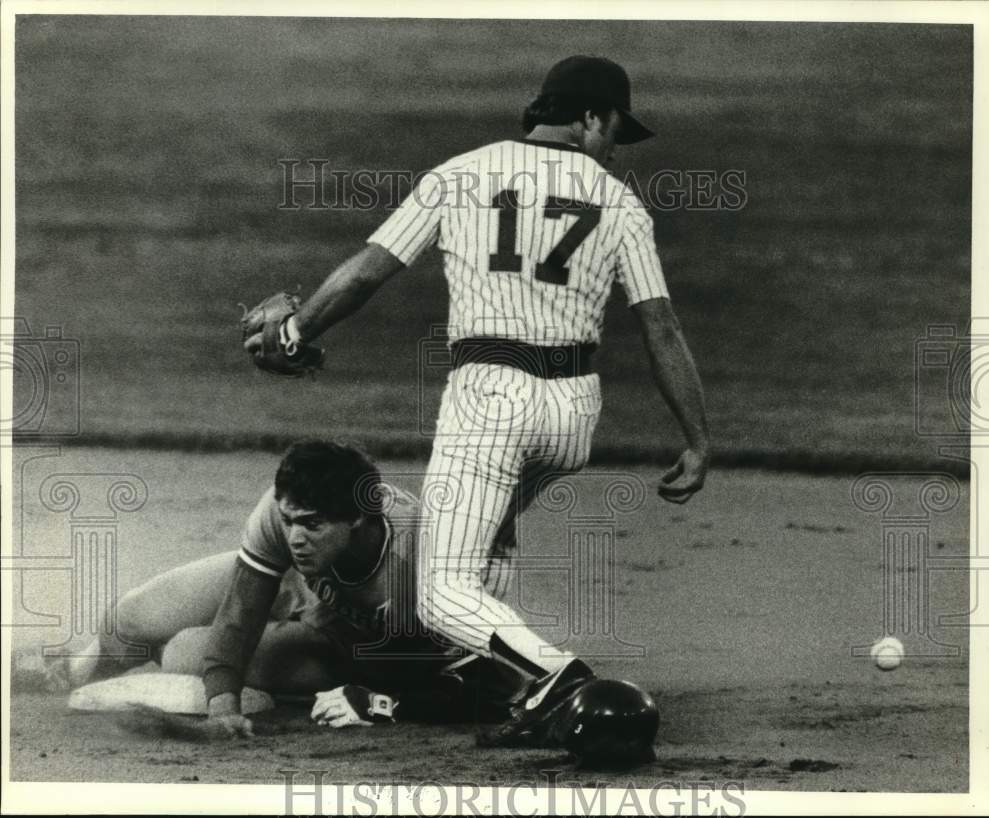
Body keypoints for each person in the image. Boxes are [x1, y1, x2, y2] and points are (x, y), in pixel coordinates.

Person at [244, 55, 710, 746]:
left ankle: (557, 678)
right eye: (616, 129)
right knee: (486, 536)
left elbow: (369, 272)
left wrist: (293, 331)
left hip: (490, 403)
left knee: (439, 592)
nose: (614, 145)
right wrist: (697, 439)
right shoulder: (620, 204)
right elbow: (660, 325)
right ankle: (476, 677)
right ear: (587, 117)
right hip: (574, 416)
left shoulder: (458, 175)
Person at [35, 440, 514, 735]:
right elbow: (241, 610)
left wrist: (383, 701)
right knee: (135, 616)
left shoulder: (426, 562)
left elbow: (495, 685)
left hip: (349, 650)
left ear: (359, 518)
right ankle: (76, 671)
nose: (295, 537)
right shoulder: (286, 512)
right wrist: (224, 705)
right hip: (297, 587)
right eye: (288, 522)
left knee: (183, 653)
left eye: (312, 525)